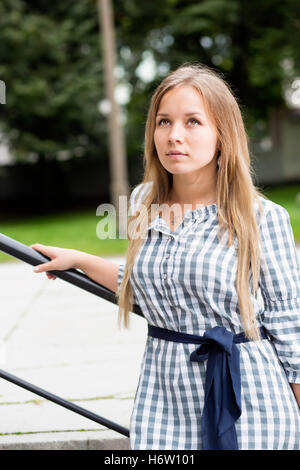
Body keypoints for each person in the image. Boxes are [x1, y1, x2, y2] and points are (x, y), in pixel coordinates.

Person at [31, 63, 300, 450]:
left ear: (222, 135)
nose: (174, 136)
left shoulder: (261, 218)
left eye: (193, 122)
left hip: (250, 398)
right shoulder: (144, 203)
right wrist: (80, 259)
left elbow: (290, 326)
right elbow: (147, 286)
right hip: (164, 397)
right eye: (163, 122)